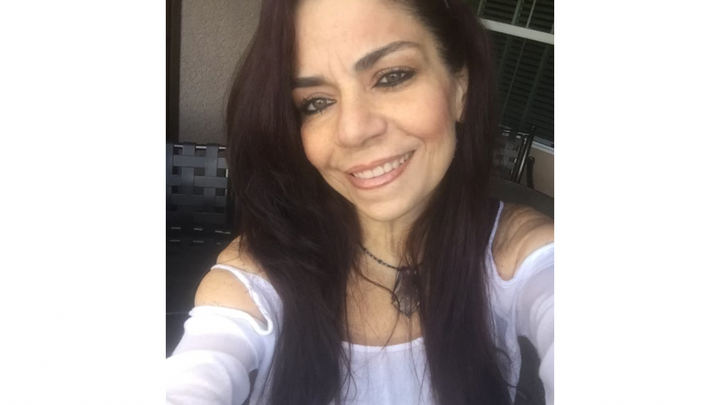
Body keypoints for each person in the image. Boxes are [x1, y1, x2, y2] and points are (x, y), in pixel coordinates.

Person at [165, 0, 554, 404]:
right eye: (316, 102)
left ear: (460, 88)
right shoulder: (259, 277)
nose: (352, 131)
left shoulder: (518, 253)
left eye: (391, 77)